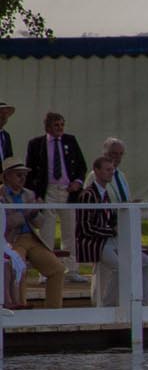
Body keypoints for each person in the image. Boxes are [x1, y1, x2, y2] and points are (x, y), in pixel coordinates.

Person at [74, 154, 148, 307]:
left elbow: (109, 220)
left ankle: (143, 305)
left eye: (112, 170)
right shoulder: (88, 195)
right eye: (107, 170)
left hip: (108, 239)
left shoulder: (105, 194)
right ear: (96, 171)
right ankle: (108, 306)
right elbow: (86, 227)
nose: (111, 173)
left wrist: (125, 209)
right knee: (120, 267)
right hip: (94, 242)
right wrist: (111, 231)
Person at [25, 110, 85, 269]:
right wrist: (35, 195)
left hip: (67, 190)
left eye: (62, 125)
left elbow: (81, 165)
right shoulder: (36, 144)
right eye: (56, 125)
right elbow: (30, 172)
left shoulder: (70, 141)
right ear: (47, 127)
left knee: (70, 231)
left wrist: (77, 182)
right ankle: (46, 269)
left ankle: (71, 270)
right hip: (47, 191)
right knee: (46, 233)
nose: (60, 128)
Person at [2, 160, 64, 308]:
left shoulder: (29, 194)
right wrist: (26, 214)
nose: (22, 178)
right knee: (19, 267)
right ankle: (21, 307)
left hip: (31, 238)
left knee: (57, 269)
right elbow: (6, 223)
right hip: (12, 240)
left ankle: (54, 311)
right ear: (6, 176)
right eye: (18, 175)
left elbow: (38, 223)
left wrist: (37, 211)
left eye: (24, 175)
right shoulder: (1, 195)